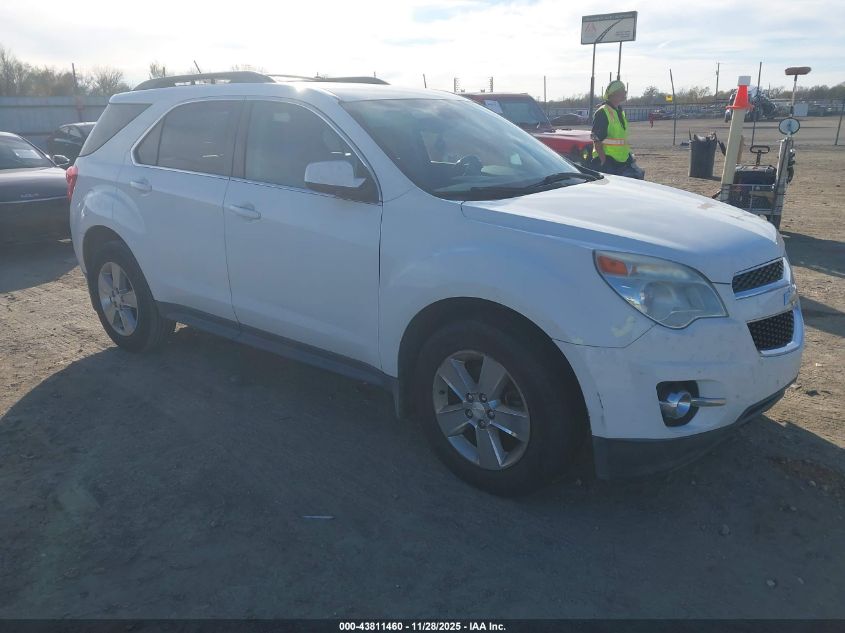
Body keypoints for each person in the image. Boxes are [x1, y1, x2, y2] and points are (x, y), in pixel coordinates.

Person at [590, 80, 645, 179]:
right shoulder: (602, 112)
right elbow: (596, 139)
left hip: (622, 160)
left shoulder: (619, 111)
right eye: (622, 90)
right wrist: (603, 160)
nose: (625, 93)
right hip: (609, 161)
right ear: (614, 93)